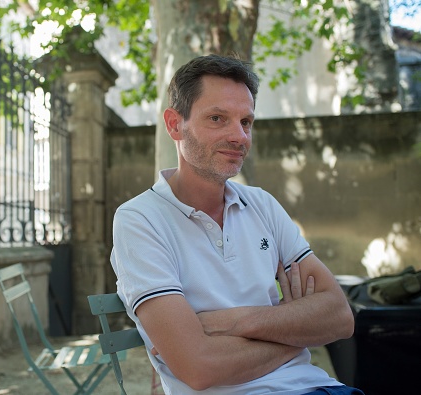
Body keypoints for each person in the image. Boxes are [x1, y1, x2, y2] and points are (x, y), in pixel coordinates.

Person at [110, 54, 362, 395]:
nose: (239, 136)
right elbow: (199, 368)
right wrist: (298, 333)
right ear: (174, 125)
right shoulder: (139, 220)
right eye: (217, 118)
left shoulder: (262, 204)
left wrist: (234, 322)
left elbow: (339, 317)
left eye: (246, 121)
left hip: (321, 388)